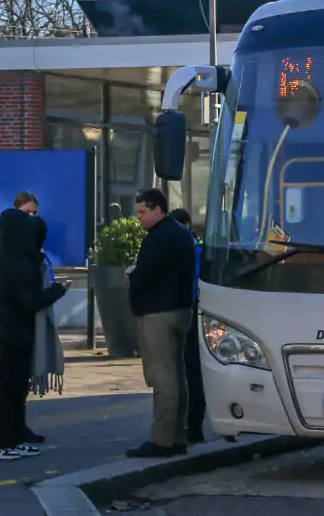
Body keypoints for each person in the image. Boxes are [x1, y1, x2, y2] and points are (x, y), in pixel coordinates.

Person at [0, 208, 69, 460]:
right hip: (16, 331)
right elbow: (30, 301)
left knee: (13, 386)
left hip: (7, 329)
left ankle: (13, 437)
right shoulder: (22, 264)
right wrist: (58, 290)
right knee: (10, 388)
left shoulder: (6, 257)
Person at [126, 189, 197, 458]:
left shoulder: (158, 238)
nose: (139, 218)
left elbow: (145, 277)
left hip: (158, 312)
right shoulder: (182, 234)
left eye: (143, 212)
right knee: (177, 375)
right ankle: (178, 435)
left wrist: (132, 276)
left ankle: (162, 439)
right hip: (181, 308)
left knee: (162, 377)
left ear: (157, 210)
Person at [169, 208, 206, 444]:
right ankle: (192, 425)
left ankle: (192, 425)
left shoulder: (194, 250)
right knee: (190, 371)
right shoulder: (196, 248)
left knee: (189, 369)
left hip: (190, 309)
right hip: (190, 308)